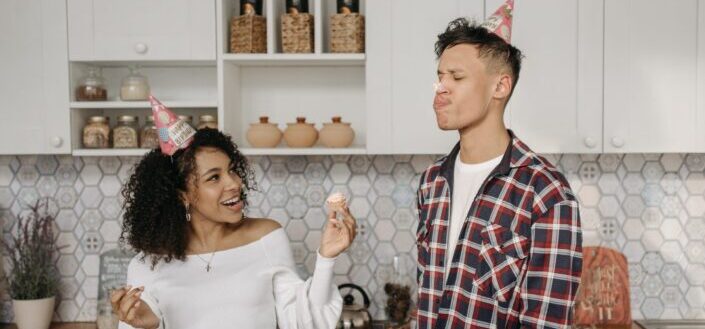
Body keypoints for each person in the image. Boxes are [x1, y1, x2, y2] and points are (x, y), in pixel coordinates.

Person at [111, 97, 356, 329]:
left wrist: (326, 258)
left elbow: (304, 322)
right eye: (214, 177)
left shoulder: (266, 238)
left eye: (231, 170)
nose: (234, 183)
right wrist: (150, 326)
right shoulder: (147, 265)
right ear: (182, 195)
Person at [415, 2, 583, 328]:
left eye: (457, 77)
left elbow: (546, 322)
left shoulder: (545, 193)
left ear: (500, 86)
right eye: (439, 76)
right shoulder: (431, 183)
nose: (441, 87)